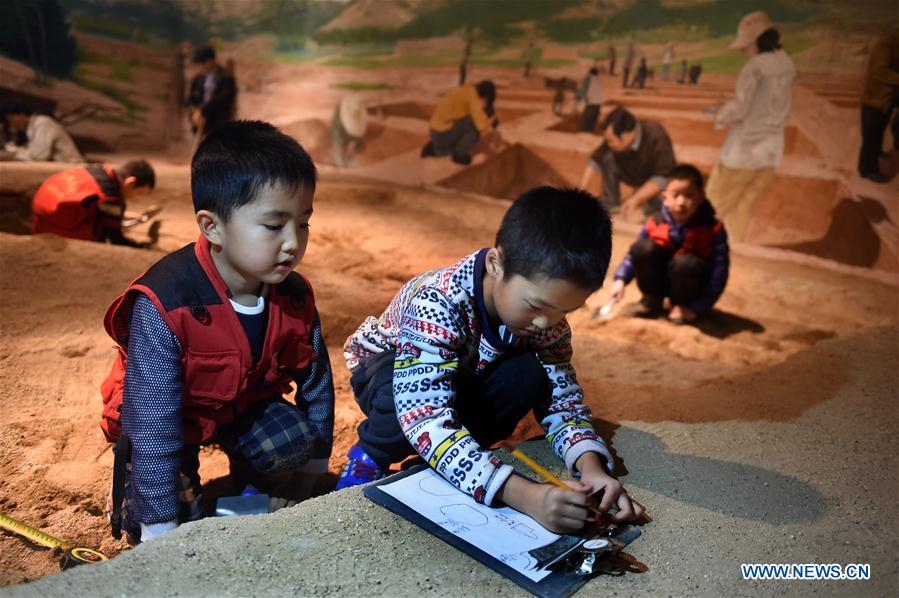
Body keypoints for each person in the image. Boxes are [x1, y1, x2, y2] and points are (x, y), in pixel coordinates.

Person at [335, 186, 644, 533]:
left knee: (530, 374)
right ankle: (370, 456)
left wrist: (591, 468)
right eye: (536, 306)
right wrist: (525, 496)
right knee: (400, 391)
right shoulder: (438, 301)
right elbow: (424, 413)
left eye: (566, 310)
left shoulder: (545, 318)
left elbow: (563, 400)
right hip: (391, 377)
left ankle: (444, 458)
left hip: (464, 380)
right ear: (496, 264)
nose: (547, 323)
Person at [99, 121, 334, 544]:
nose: (293, 243)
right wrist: (158, 527)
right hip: (172, 420)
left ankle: (244, 490)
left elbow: (318, 384)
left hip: (241, 404)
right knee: (161, 521)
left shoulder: (295, 296)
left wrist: (312, 471)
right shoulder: (165, 303)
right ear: (212, 226)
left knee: (291, 443)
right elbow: (153, 422)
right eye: (273, 225)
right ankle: (206, 508)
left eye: (303, 224)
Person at [705, 12, 795, 241]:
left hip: (744, 151)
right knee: (742, 208)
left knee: (712, 205)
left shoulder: (755, 67)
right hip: (771, 150)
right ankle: (734, 253)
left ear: (757, 41)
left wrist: (720, 115)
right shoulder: (786, 63)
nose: (743, 50)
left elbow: (742, 107)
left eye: (746, 44)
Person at [608, 164, 728, 324]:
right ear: (664, 198)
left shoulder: (714, 229)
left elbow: (718, 272)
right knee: (643, 248)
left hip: (690, 287)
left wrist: (697, 308)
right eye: (675, 194)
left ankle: (680, 306)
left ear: (701, 197)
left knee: (686, 263)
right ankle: (652, 300)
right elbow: (633, 254)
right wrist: (620, 280)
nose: (681, 202)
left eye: (689, 195)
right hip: (660, 281)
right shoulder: (654, 222)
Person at [579, 106, 677, 220]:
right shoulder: (614, 138)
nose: (608, 143)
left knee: (654, 209)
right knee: (608, 158)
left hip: (655, 182)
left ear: (627, 135)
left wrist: (636, 198)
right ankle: (610, 204)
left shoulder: (655, 134)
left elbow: (663, 175)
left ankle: (649, 210)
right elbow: (595, 161)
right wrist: (579, 192)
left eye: (611, 140)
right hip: (632, 173)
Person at [32, 160, 157, 247]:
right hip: (56, 229)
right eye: (138, 193)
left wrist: (123, 215)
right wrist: (141, 247)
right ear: (130, 182)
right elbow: (116, 239)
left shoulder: (100, 170)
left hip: (40, 215)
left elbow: (90, 201)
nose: (135, 197)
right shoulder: (110, 195)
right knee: (101, 232)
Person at [421, 80, 500, 166]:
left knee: (466, 121)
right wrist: (491, 122)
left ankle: (437, 149)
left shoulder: (466, 89)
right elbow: (481, 126)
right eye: (486, 103)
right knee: (474, 124)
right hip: (443, 135)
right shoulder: (473, 97)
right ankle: (459, 154)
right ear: (485, 97)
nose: (485, 106)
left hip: (435, 133)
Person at [857, 29, 899, 184]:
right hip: (874, 100)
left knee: (877, 133)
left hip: (887, 98)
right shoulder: (886, 44)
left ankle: (888, 146)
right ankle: (867, 170)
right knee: (871, 137)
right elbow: (879, 71)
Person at [0, 100, 84, 163]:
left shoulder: (43, 123)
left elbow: (39, 156)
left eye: (11, 120)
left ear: (21, 114)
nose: (12, 125)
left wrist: (13, 154)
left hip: (72, 171)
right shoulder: (29, 130)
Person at [187, 45, 237, 142]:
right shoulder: (198, 79)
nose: (202, 66)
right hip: (200, 121)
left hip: (218, 122)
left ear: (211, 60)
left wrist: (202, 111)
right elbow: (191, 100)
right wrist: (194, 114)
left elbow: (222, 100)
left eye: (203, 62)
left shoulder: (225, 78)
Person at [330, 95, 368, 168]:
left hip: (350, 133)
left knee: (359, 146)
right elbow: (337, 136)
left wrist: (354, 142)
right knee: (339, 148)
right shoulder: (339, 120)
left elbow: (359, 131)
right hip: (340, 133)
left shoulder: (360, 113)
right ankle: (340, 164)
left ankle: (348, 158)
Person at [577, 67, 603, 132]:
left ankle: (584, 128)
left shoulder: (588, 79)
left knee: (587, 116)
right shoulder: (595, 79)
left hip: (592, 101)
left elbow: (584, 89)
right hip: (599, 101)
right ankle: (591, 128)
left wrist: (579, 97)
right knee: (594, 116)